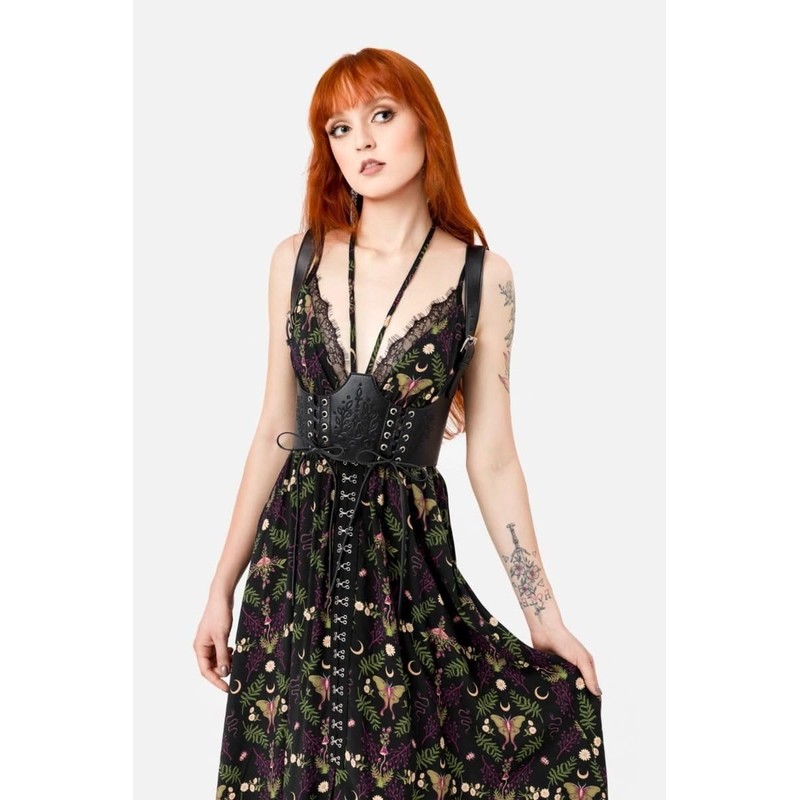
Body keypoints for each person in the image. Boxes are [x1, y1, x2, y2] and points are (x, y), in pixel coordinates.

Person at [194, 47, 609, 799]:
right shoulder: (295, 260)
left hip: (405, 570)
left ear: (426, 125)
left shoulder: (485, 280)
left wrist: (545, 618)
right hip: (292, 567)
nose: (362, 141)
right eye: (339, 128)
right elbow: (272, 431)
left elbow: (493, 460)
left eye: (381, 115)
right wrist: (222, 585)